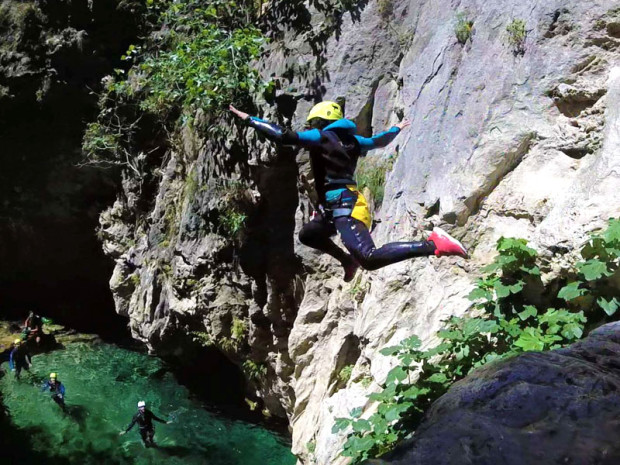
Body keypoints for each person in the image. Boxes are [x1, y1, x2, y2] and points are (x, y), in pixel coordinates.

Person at [229, 101, 468, 281]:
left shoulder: (320, 136)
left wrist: (249, 119)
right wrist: (396, 128)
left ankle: (433, 244)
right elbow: (378, 141)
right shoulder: (354, 141)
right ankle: (347, 261)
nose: (311, 127)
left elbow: (283, 136)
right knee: (308, 235)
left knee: (370, 258)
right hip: (336, 207)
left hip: (345, 207)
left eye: (313, 123)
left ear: (320, 122)